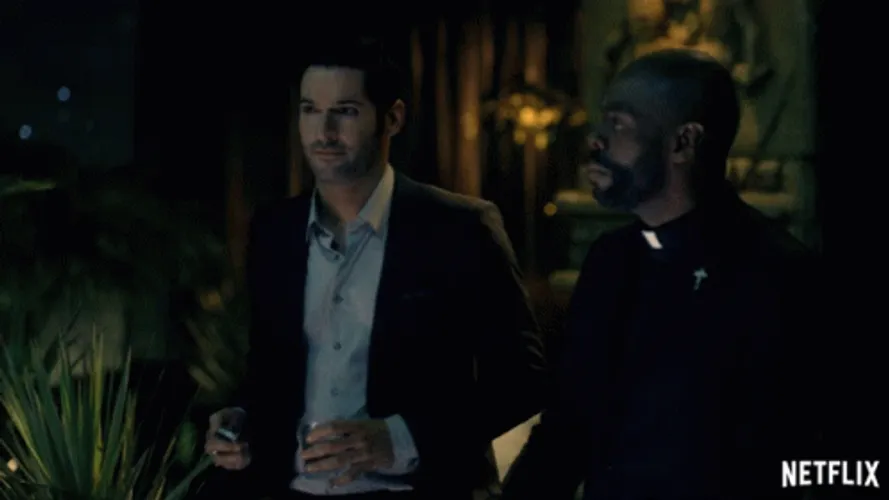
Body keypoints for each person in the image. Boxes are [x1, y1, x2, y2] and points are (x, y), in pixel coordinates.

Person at [203, 39, 546, 500]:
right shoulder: (274, 230)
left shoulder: (461, 228)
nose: (323, 131)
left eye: (344, 111)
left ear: (393, 119)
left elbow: (523, 380)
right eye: (310, 110)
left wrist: (400, 438)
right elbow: (270, 369)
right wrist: (243, 420)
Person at [501, 49, 824, 500]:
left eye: (618, 124)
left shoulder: (778, 274)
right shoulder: (610, 261)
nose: (596, 140)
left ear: (683, 143)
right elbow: (567, 426)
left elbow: (800, 455)